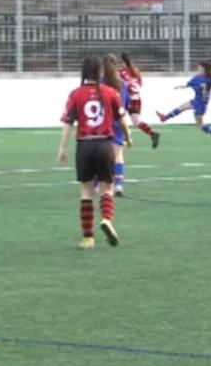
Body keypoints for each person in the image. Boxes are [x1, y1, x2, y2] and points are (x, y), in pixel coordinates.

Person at [57, 56, 131, 249]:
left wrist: (62, 149)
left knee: (86, 192)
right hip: (105, 145)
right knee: (108, 188)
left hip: (84, 146)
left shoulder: (75, 94)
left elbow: (67, 124)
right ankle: (106, 219)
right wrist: (128, 137)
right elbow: (122, 120)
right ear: (100, 72)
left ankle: (88, 238)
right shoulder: (111, 93)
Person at [156, 61, 211, 144]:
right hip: (196, 100)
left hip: (202, 104)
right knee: (181, 108)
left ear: (204, 69)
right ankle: (164, 117)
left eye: (199, 68)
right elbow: (187, 85)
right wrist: (179, 87)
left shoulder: (210, 78)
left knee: (200, 126)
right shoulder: (196, 77)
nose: (198, 69)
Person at [119, 52, 160, 149]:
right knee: (136, 121)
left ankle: (123, 138)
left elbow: (122, 86)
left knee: (119, 118)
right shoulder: (136, 70)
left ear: (122, 61)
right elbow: (140, 84)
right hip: (137, 98)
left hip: (128, 98)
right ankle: (152, 133)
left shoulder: (121, 73)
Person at [103, 54, 130, 197]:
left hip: (103, 122)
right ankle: (118, 184)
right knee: (118, 154)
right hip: (118, 122)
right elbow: (124, 106)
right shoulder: (122, 84)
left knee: (102, 154)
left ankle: (98, 182)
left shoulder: (100, 83)